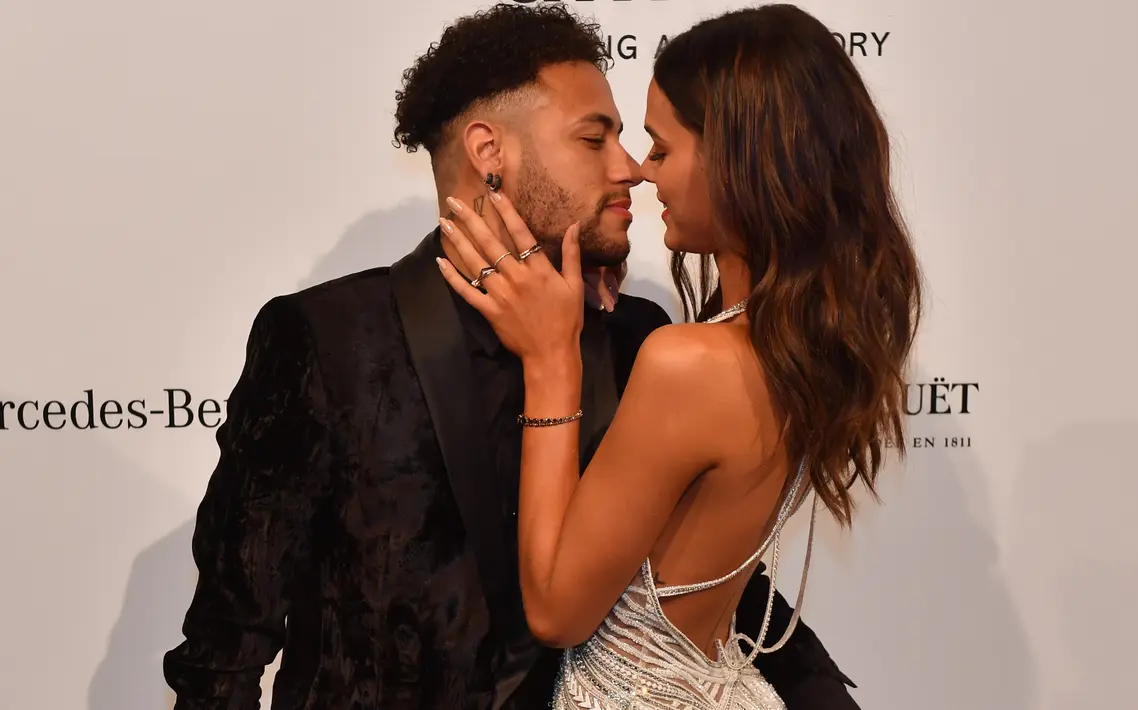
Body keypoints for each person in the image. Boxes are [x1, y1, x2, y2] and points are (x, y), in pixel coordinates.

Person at [162, 5, 857, 709]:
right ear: (489, 152)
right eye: (595, 139)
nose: (629, 170)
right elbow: (226, 648)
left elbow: (697, 578)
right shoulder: (331, 336)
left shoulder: (638, 336)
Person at [433, 4, 922, 709]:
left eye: (660, 148)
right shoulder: (795, 346)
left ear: (736, 158)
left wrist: (550, 360)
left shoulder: (689, 362)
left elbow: (555, 611)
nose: (640, 172)